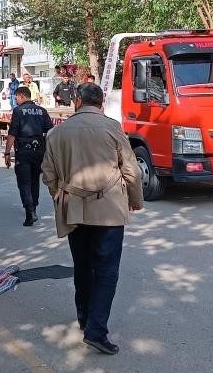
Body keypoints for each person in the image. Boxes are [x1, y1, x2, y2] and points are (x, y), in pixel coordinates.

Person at [41, 83, 144, 355]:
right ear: (101, 103)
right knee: (107, 271)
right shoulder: (112, 128)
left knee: (83, 266)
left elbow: (48, 175)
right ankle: (96, 330)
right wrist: (135, 201)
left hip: (73, 209)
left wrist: (61, 198)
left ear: (76, 100)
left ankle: (85, 318)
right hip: (109, 209)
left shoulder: (57, 132)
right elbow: (132, 171)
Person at [4, 86, 54, 226]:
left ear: (21, 96)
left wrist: (7, 152)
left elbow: (12, 133)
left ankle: (29, 212)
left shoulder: (18, 111)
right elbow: (50, 131)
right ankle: (34, 209)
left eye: (16, 98)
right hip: (39, 150)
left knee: (24, 181)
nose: (16, 101)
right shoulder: (41, 111)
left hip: (23, 151)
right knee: (34, 180)